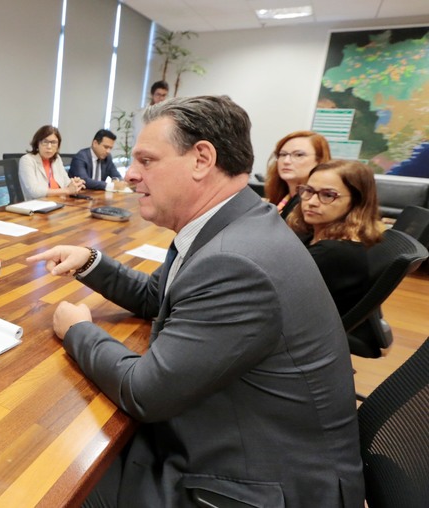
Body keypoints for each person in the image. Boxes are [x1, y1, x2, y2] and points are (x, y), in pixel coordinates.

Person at [27, 96, 364, 507]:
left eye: (146, 161)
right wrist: (91, 262)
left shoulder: (234, 261)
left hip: (250, 485)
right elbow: (158, 296)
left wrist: (79, 330)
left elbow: (145, 391)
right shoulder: (234, 224)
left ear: (202, 159)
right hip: (241, 439)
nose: (130, 175)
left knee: (46, 478)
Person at [287, 160, 384, 315]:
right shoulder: (316, 235)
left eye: (328, 195)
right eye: (309, 191)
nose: (311, 202)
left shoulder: (334, 252)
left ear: (356, 201)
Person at [264, 130, 332, 220]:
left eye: (299, 155)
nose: (286, 161)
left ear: (319, 160)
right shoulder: (281, 197)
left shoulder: (315, 207)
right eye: (283, 154)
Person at [18, 125, 86, 200]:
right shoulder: (27, 160)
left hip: (59, 203)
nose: (49, 146)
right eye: (45, 142)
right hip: (37, 206)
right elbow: (34, 191)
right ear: (37, 143)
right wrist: (67, 190)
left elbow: (65, 182)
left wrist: (73, 183)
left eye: (53, 142)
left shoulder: (57, 159)